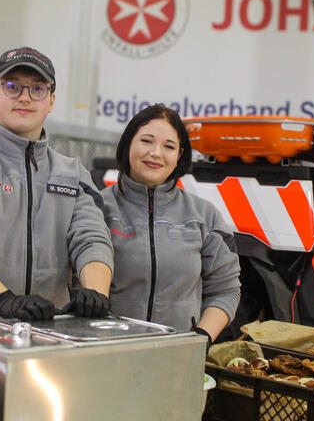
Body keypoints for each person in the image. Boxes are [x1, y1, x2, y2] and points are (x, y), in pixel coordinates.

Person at [0, 47, 114, 324]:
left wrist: (96, 293)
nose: (25, 97)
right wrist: (2, 299)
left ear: (51, 101)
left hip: (50, 330)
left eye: (37, 89)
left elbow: (92, 239)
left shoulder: (73, 174)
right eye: (12, 86)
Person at [101, 104, 241, 347]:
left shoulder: (205, 216)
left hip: (177, 357)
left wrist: (201, 339)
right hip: (105, 353)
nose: (156, 153)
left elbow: (226, 289)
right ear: (128, 145)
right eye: (146, 141)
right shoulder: (97, 207)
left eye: (169, 146)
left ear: (179, 156)